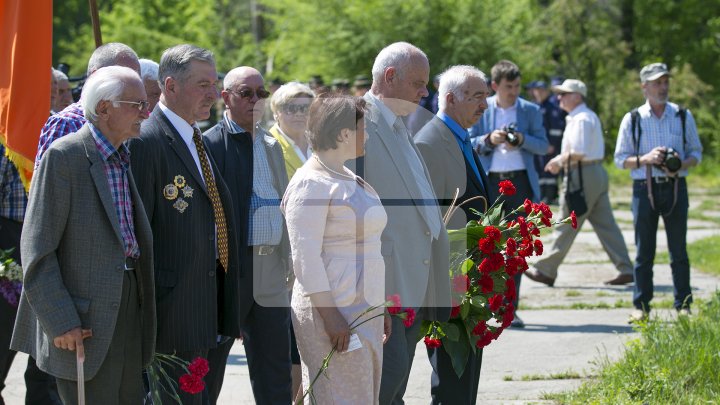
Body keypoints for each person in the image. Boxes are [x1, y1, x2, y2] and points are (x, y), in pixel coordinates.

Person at [11, 66, 155, 404]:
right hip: (83, 324)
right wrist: (60, 321)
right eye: (136, 104)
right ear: (104, 108)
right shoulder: (64, 157)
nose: (145, 113)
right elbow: (37, 250)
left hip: (129, 308)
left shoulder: (123, 156)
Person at [129, 44, 242, 405]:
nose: (213, 93)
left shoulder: (195, 137)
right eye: (202, 84)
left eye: (215, 82)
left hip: (211, 308)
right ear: (170, 86)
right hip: (172, 316)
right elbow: (136, 233)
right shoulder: (147, 141)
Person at [348, 41, 450, 404]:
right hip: (382, 289)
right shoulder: (355, 122)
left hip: (412, 282)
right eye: (418, 83)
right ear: (390, 77)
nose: (425, 92)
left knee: (393, 389)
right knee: (381, 387)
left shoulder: (398, 122)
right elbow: (346, 213)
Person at [282, 94, 388, 404]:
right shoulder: (310, 183)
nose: (366, 135)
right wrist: (331, 317)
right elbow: (305, 258)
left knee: (361, 395)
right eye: (362, 128)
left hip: (362, 308)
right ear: (343, 133)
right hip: (332, 313)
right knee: (336, 395)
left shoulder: (347, 176)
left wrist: (379, 305)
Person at [204, 66, 292, 404]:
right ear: (225, 98)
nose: (256, 100)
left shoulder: (271, 143)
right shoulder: (210, 144)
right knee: (210, 367)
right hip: (231, 271)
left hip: (270, 270)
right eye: (246, 93)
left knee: (275, 369)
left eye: (261, 93)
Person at [415, 65, 491, 405]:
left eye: (485, 96)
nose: (484, 105)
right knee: (451, 379)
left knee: (466, 375)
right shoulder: (431, 142)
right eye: (476, 97)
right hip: (449, 277)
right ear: (448, 99)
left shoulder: (461, 138)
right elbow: (431, 218)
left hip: (469, 274)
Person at [614, 63, 703, 322]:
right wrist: (647, 158)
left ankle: (683, 305)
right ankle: (641, 305)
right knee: (644, 252)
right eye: (657, 83)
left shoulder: (682, 115)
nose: (663, 87)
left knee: (679, 250)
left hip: (675, 186)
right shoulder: (633, 119)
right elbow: (620, 159)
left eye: (665, 82)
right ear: (644, 87)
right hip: (644, 188)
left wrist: (680, 164)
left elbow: (696, 153)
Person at [524, 79, 634, 287]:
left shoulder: (581, 119)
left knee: (567, 222)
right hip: (592, 173)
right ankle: (626, 269)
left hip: (582, 174)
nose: (559, 98)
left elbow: (579, 152)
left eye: (564, 94)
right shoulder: (582, 116)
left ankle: (546, 270)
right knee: (606, 226)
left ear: (577, 96)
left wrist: (558, 161)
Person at [468, 60, 548, 328]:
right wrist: (488, 140)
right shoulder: (483, 109)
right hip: (490, 184)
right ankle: (483, 304)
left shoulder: (530, 110)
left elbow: (544, 145)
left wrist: (522, 140)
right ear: (494, 86)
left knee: (516, 250)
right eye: (508, 87)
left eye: (517, 86)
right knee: (485, 247)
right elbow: (467, 141)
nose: (513, 92)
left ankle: (508, 309)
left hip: (520, 184)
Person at [36, 42, 141, 169]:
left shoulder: (129, 125)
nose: (134, 84)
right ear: (95, 76)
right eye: (124, 78)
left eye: (136, 77)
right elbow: (50, 185)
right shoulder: (66, 124)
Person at [526, 80, 566, 204]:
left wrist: (551, 144)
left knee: (549, 172)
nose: (539, 93)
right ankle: (542, 195)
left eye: (542, 90)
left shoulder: (552, 107)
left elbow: (555, 128)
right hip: (537, 145)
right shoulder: (534, 106)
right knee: (539, 171)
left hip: (547, 146)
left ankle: (550, 196)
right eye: (537, 90)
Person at [268, 81, 315, 180]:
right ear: (276, 112)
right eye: (291, 108)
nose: (298, 114)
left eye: (305, 108)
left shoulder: (321, 143)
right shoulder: (265, 146)